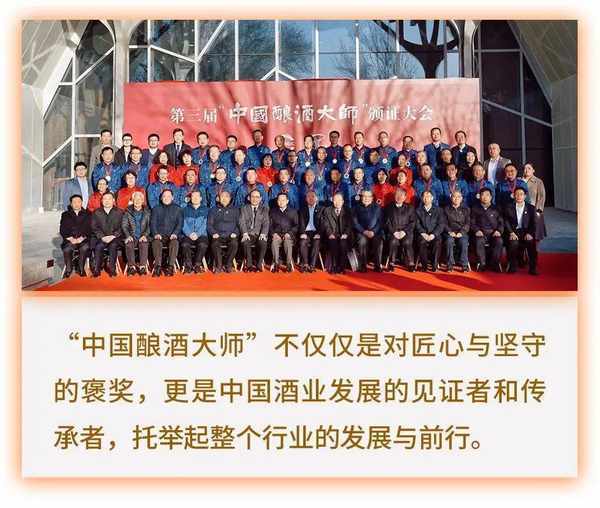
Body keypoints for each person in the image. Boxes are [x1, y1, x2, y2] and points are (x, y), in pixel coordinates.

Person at [504, 186, 539, 275]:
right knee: (513, 243)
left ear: (525, 196)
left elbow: (534, 223)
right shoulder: (508, 207)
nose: (519, 196)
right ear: (513, 196)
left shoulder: (531, 208)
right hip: (514, 232)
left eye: (521, 194)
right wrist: (511, 232)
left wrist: (530, 233)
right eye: (517, 194)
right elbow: (506, 221)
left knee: (531, 242)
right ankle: (513, 266)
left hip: (526, 232)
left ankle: (533, 267)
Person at [470, 187, 504, 272]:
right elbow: (472, 222)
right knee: (479, 241)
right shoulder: (475, 208)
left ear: (491, 197)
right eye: (483, 195)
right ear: (479, 197)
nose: (485, 197)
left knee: (499, 241)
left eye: (487, 195)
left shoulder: (497, 208)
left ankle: (495, 263)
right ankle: (482, 263)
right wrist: (476, 230)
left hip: (493, 233)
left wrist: (499, 231)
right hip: (480, 233)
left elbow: (501, 222)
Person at [150, 189, 183, 277]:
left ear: (172, 197)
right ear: (161, 198)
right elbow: (153, 223)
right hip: (160, 236)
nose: (166, 198)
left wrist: (175, 233)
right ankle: (158, 267)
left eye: (168, 196)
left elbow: (180, 223)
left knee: (175, 242)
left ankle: (170, 267)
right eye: (164, 196)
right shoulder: (156, 209)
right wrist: (156, 233)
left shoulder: (178, 209)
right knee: (156, 242)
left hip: (172, 236)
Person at [91, 192, 123, 277]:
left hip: (115, 237)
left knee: (113, 245)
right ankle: (97, 269)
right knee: (99, 246)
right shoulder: (96, 212)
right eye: (105, 199)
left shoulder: (120, 212)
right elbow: (94, 227)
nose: (107, 201)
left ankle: (112, 269)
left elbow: (122, 227)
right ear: (102, 201)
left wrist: (113, 236)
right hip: (101, 238)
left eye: (109, 199)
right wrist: (102, 237)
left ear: (113, 200)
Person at [207, 190, 240, 273]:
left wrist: (235, 233)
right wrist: (213, 233)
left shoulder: (236, 210)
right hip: (217, 235)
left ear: (230, 198)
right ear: (218, 198)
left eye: (226, 197)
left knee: (234, 244)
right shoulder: (213, 210)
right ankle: (219, 265)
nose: (224, 199)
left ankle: (228, 264)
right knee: (215, 243)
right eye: (222, 197)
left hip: (231, 235)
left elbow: (239, 224)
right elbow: (209, 224)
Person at [59, 194, 91, 278]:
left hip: (83, 239)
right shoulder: (65, 214)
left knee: (84, 248)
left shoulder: (88, 214)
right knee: (67, 249)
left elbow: (89, 229)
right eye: (74, 202)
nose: (76, 204)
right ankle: (69, 269)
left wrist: (82, 238)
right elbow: (62, 229)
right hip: (70, 240)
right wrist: (70, 238)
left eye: (78, 202)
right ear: (71, 204)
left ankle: (81, 269)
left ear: (82, 203)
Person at [385, 187, 415, 272]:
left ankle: (411, 263)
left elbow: (412, 222)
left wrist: (404, 232)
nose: (399, 197)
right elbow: (387, 222)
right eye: (397, 195)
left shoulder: (410, 208)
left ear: (405, 197)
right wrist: (394, 232)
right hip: (393, 232)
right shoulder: (389, 207)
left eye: (401, 195)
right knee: (393, 241)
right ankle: (391, 263)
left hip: (406, 232)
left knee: (407, 242)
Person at [352, 189, 384, 272]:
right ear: (361, 197)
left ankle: (377, 265)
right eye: (364, 196)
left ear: (372, 198)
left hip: (375, 232)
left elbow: (380, 222)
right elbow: (355, 223)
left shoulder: (377, 207)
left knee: (378, 241)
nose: (366, 198)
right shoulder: (356, 208)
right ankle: (363, 265)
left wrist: (373, 231)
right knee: (362, 241)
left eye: (368, 196)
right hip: (362, 232)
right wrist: (364, 231)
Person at [238, 189, 270, 272]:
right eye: (253, 197)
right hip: (248, 234)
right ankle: (249, 265)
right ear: (249, 198)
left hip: (259, 234)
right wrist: (244, 233)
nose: (255, 199)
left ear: (260, 199)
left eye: (257, 197)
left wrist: (263, 234)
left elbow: (266, 223)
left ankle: (259, 264)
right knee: (245, 242)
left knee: (263, 243)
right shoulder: (244, 208)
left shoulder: (264, 209)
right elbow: (241, 222)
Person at [321, 192, 353, 274]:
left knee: (343, 244)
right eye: (335, 200)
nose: (337, 202)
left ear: (343, 201)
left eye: (339, 200)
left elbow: (349, 225)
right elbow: (326, 224)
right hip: (332, 234)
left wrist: (345, 234)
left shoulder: (348, 210)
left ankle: (342, 267)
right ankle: (334, 266)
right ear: (332, 201)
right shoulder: (327, 210)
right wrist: (330, 234)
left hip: (344, 235)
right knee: (333, 243)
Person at [121, 190, 151, 276]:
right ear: (132, 200)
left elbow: (150, 226)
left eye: (139, 199)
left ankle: (142, 267)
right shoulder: (127, 211)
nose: (137, 201)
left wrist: (145, 235)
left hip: (143, 236)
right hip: (132, 236)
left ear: (142, 200)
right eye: (135, 199)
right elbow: (124, 226)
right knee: (129, 243)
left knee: (144, 243)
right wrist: (128, 235)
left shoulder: (148, 212)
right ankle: (132, 267)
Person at [180, 190, 209, 274]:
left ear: (201, 198)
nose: (195, 198)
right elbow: (183, 223)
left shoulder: (206, 210)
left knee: (203, 244)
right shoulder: (185, 209)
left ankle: (197, 265)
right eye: (193, 196)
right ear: (190, 198)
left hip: (202, 234)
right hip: (188, 234)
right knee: (185, 244)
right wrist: (189, 233)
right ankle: (188, 266)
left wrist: (197, 234)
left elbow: (205, 223)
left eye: (197, 196)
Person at [415, 190, 445, 272]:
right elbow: (417, 224)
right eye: (424, 196)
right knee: (421, 242)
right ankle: (424, 266)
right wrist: (423, 233)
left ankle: (434, 265)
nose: (426, 198)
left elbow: (441, 224)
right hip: (422, 234)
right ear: (422, 198)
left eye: (428, 196)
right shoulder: (418, 210)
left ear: (432, 198)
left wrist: (433, 234)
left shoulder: (439, 210)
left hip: (435, 234)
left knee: (437, 242)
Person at [269, 192, 298, 272]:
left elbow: (296, 225)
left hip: (288, 235)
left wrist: (289, 234)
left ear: (287, 201)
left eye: (283, 200)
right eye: (279, 200)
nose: (281, 202)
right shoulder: (272, 211)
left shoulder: (293, 211)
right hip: (277, 235)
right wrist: (273, 233)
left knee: (287, 242)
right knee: (274, 241)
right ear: (277, 201)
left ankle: (288, 264)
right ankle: (276, 263)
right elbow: (269, 225)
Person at [443, 190, 471, 272]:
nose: (456, 198)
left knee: (463, 241)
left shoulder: (466, 209)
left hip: (461, 232)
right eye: (454, 196)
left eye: (458, 197)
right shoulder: (446, 209)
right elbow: (443, 223)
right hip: (449, 232)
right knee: (449, 241)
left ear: (461, 198)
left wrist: (461, 232)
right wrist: (449, 231)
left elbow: (468, 223)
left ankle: (464, 264)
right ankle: (450, 264)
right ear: (451, 198)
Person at [298, 190, 324, 273]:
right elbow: (301, 223)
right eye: (308, 197)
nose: (311, 198)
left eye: (313, 196)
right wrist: (302, 233)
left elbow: (323, 224)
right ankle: (305, 264)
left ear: (316, 198)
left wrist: (319, 233)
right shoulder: (302, 209)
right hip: (306, 232)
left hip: (316, 232)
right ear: (306, 199)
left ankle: (312, 265)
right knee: (302, 242)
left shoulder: (322, 209)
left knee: (316, 242)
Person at [522, 162, 547, 241]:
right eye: (525, 168)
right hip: (522, 209)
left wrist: (539, 210)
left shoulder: (538, 181)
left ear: (533, 170)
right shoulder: (519, 180)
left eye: (529, 168)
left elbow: (541, 197)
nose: (526, 170)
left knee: (534, 234)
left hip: (534, 210)